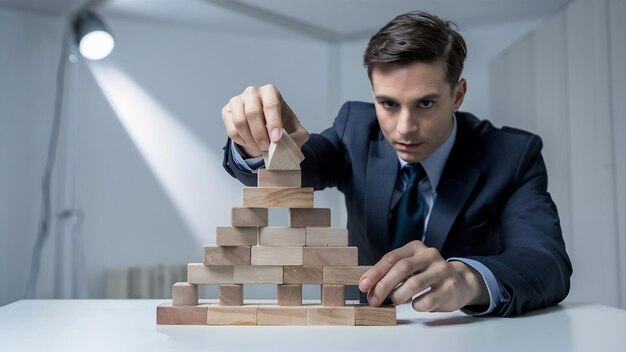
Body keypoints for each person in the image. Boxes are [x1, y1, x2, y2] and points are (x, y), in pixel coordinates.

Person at [220, 11, 571, 316]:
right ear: (373, 95)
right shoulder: (355, 129)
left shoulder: (512, 155)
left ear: (458, 95)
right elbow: (302, 165)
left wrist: (467, 279)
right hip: (360, 331)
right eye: (388, 104)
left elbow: (546, 263)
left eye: (425, 104)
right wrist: (259, 143)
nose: (404, 128)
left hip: (464, 336)